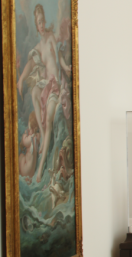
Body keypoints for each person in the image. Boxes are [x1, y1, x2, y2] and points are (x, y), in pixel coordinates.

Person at [17, 4, 72, 183]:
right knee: (34, 90)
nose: (41, 25)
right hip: (46, 85)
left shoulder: (51, 38)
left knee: (48, 119)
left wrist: (64, 66)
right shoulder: (39, 46)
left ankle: (40, 170)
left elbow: (60, 55)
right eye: (38, 22)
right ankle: (40, 129)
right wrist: (20, 80)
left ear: (45, 22)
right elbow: (30, 65)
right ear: (35, 24)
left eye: (42, 21)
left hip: (55, 85)